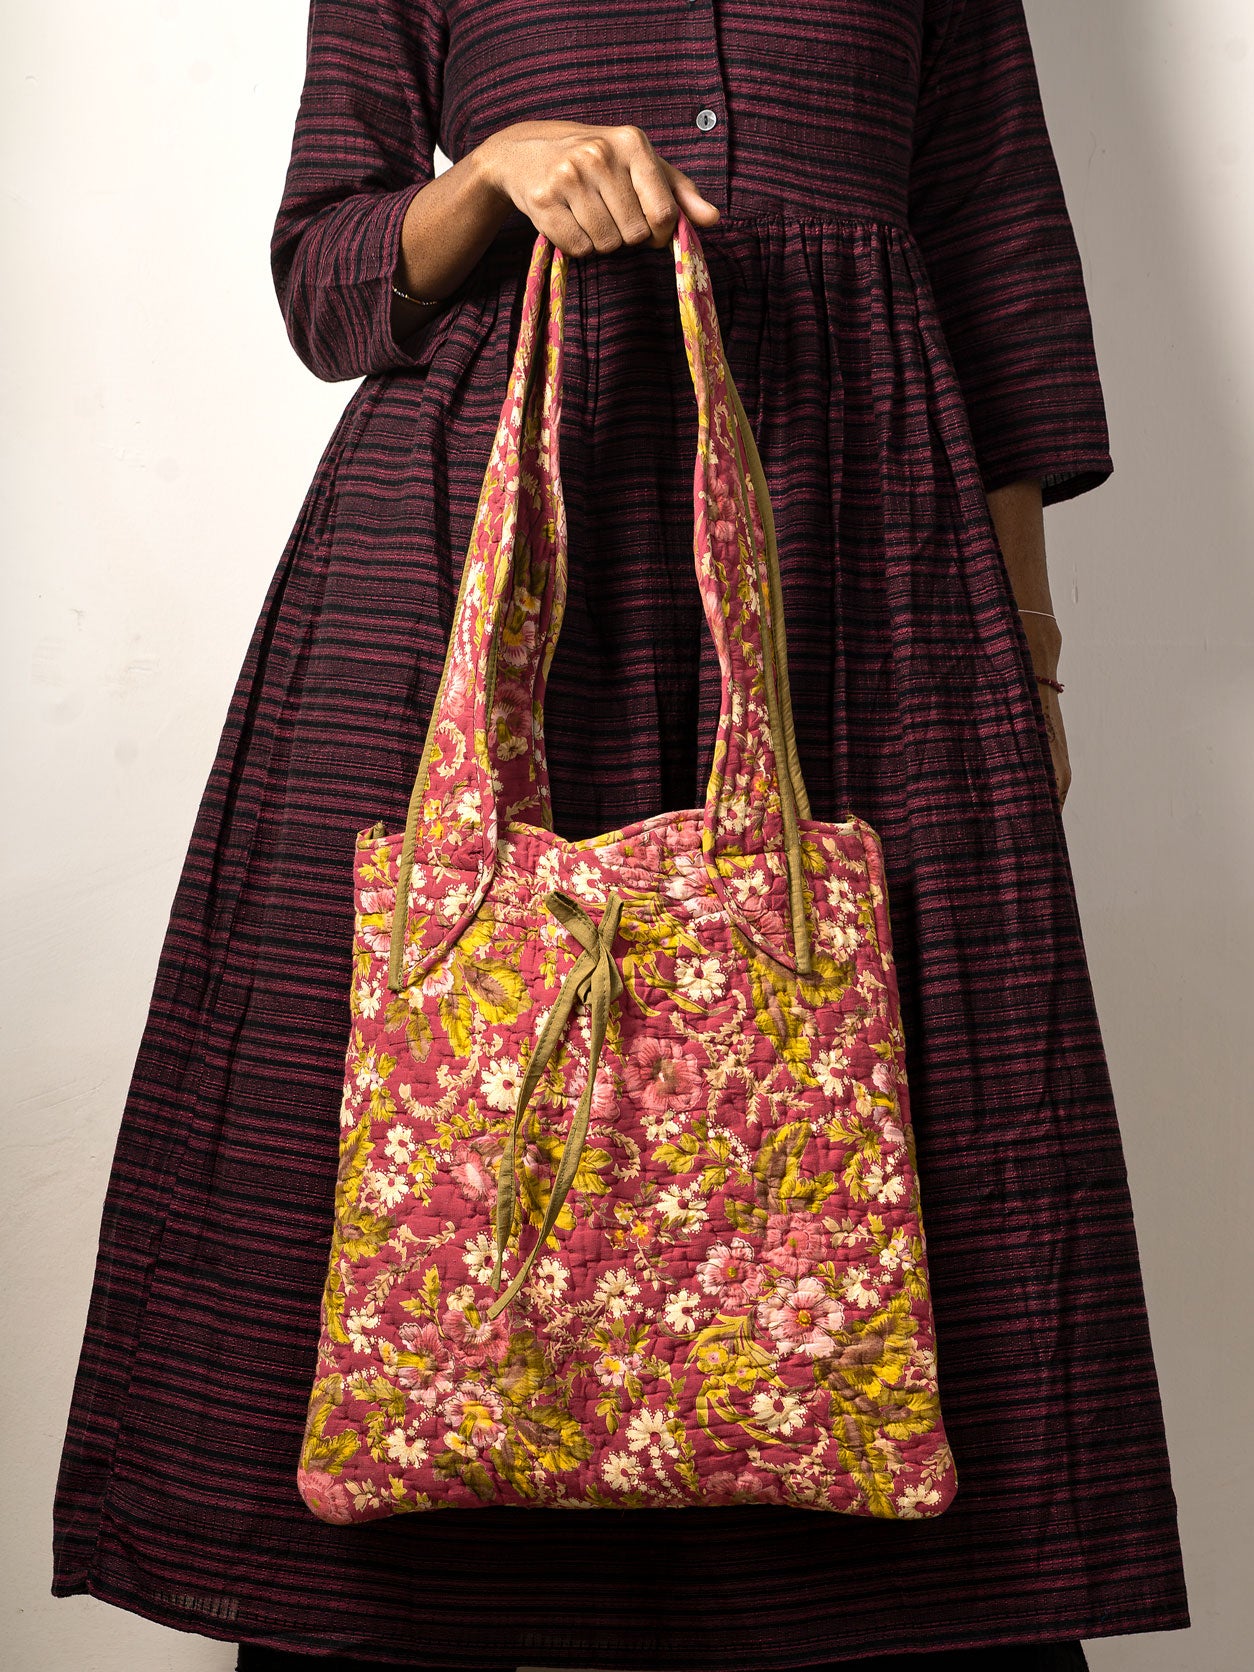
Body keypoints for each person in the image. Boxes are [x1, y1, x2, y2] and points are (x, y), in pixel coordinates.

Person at [52, 2, 1189, 1667]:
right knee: (413, 1120)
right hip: (485, 547)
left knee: (897, 1137)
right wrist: (495, 174)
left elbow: (994, 256)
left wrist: (1026, 651)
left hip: (856, 570)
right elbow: (326, 279)